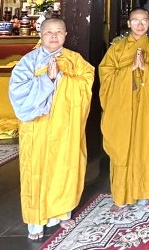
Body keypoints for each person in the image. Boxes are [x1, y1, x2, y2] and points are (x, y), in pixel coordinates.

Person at [9, 18, 94, 241]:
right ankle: (35, 221)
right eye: (49, 32)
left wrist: (63, 79)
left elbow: (86, 82)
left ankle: (62, 212)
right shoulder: (28, 61)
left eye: (58, 32)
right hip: (38, 127)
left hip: (65, 126)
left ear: (66, 35)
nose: (54, 36)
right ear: (40, 34)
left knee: (65, 167)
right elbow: (17, 92)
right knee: (36, 171)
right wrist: (47, 79)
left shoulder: (75, 60)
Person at [99, 8, 149, 213]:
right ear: (128, 24)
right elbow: (105, 76)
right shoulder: (116, 50)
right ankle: (121, 197)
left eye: (143, 21)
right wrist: (129, 70)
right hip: (122, 108)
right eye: (135, 21)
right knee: (123, 147)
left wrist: (147, 69)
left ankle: (145, 194)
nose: (140, 25)